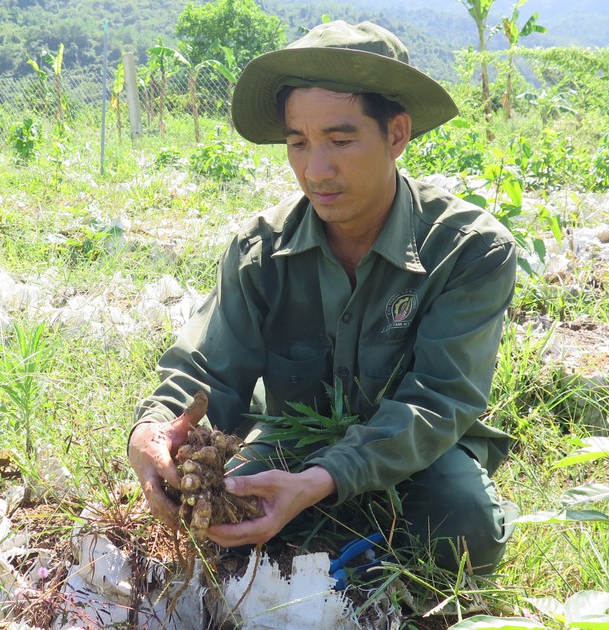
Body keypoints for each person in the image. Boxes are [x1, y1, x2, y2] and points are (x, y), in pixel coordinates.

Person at [127, 20, 518, 574]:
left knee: (464, 532)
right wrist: (153, 430)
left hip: (414, 452)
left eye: (340, 140)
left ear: (397, 134)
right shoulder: (259, 251)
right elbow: (210, 369)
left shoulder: (467, 250)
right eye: (298, 143)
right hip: (289, 441)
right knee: (216, 516)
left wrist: (321, 480)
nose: (316, 170)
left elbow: (436, 401)